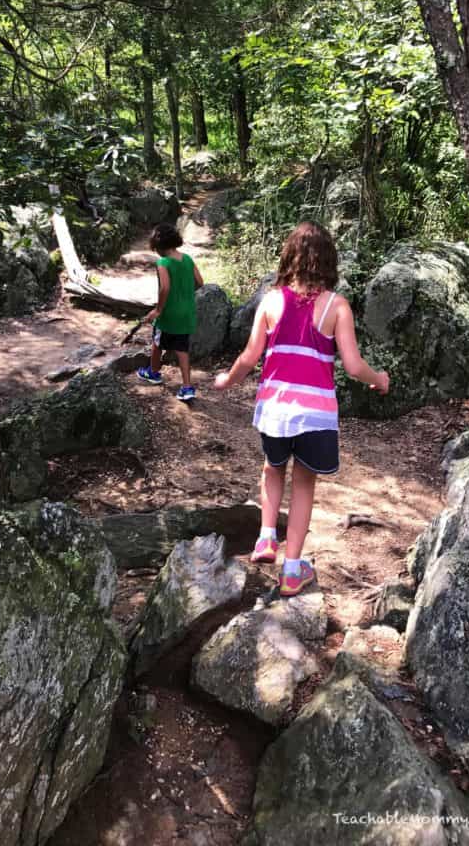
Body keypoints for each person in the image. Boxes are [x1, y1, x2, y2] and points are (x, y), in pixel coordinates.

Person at [214, 221, 389, 596]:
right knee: (304, 484)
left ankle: (265, 538)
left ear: (289, 257)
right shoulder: (336, 306)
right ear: (328, 260)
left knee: (272, 467)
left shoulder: (272, 300)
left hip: (274, 407)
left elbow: (249, 356)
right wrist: (380, 379)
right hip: (315, 414)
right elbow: (354, 366)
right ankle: (292, 569)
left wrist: (227, 380)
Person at [137, 222, 204, 401]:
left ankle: (153, 372)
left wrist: (158, 310)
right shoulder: (188, 259)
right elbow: (200, 281)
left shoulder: (163, 262)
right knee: (182, 349)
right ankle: (187, 387)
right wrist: (184, 293)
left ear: (157, 245)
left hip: (168, 313)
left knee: (158, 342)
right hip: (187, 312)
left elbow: (165, 287)